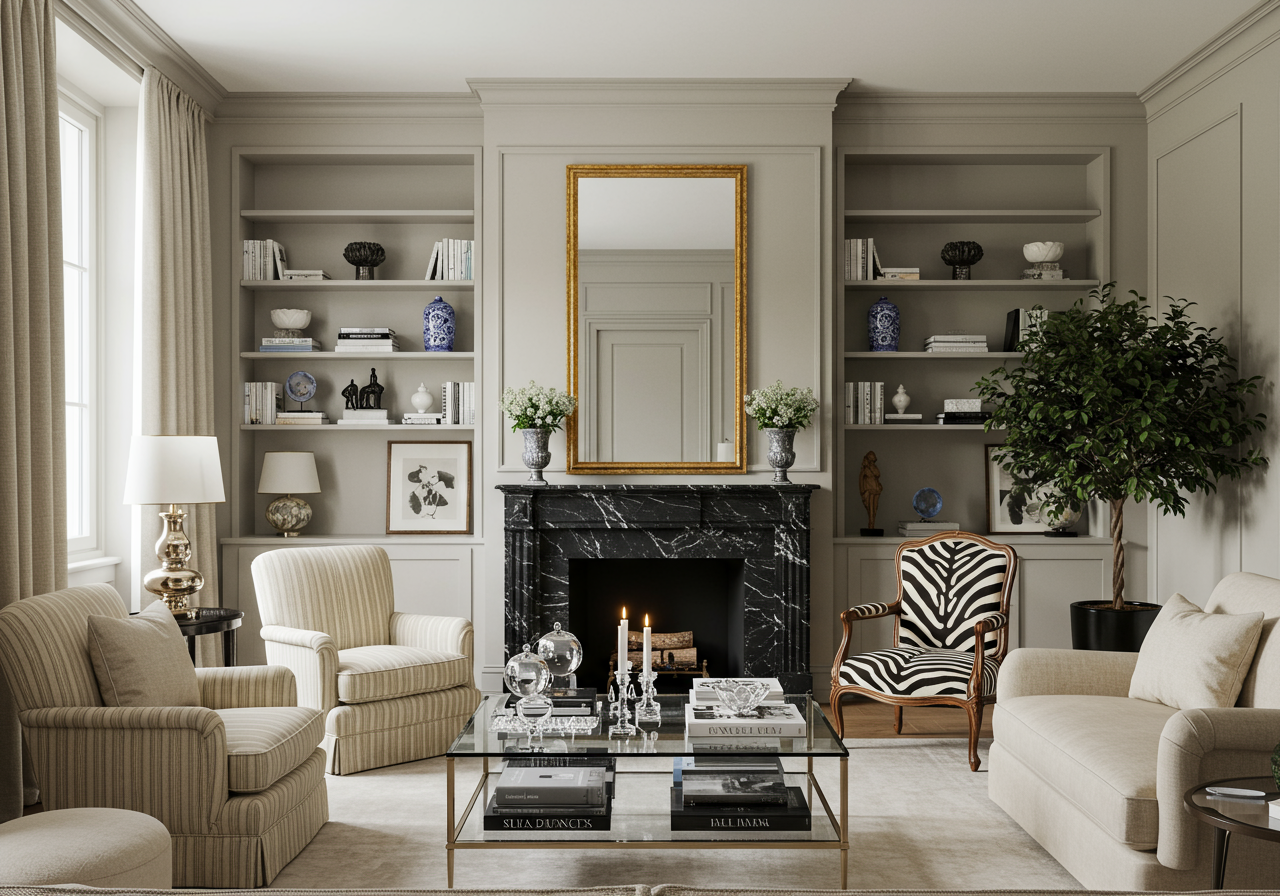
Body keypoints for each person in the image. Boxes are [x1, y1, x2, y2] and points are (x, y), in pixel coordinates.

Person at [859, 450, 883, 530]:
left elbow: (877, 474)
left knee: (875, 508)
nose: (872, 461)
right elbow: (861, 479)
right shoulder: (865, 469)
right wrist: (862, 491)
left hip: (876, 489)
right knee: (870, 508)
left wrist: (871, 466)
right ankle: (870, 525)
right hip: (868, 490)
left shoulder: (874, 468)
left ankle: (872, 525)